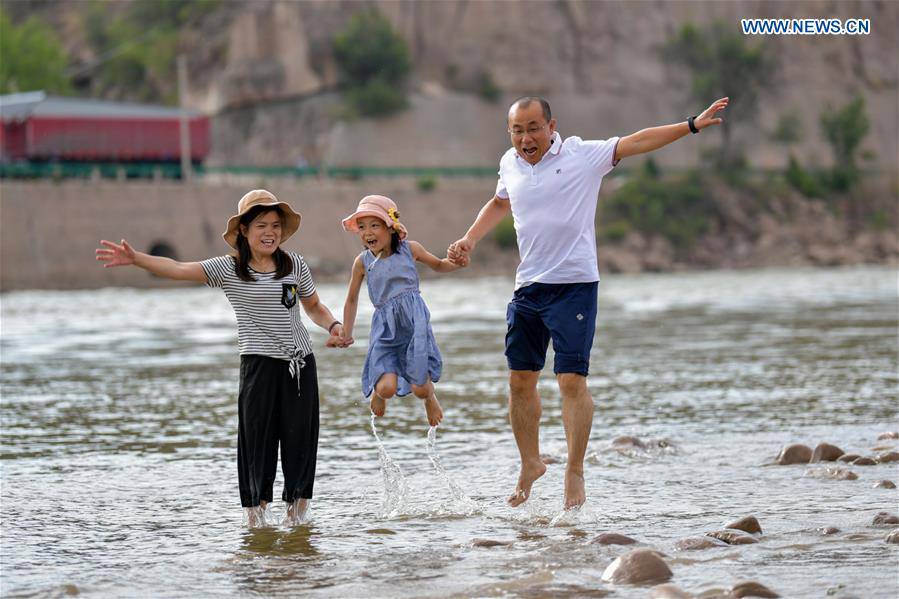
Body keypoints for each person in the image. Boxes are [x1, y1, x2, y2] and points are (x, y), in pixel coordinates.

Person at [447, 95, 729, 509]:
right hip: (528, 287)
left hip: (575, 285)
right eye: (517, 130)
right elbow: (500, 202)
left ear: (551, 126)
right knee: (519, 380)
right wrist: (469, 238)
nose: (525, 137)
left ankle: (574, 470)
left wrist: (689, 125)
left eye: (533, 128)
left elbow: (637, 141)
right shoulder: (509, 163)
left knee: (570, 381)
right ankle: (530, 462)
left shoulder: (582, 155)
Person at [95, 189, 346, 526]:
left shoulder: (294, 265)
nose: (269, 232)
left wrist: (333, 325)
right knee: (257, 445)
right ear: (243, 230)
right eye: (260, 225)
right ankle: (256, 525)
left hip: (300, 366)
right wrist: (138, 258)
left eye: (274, 225)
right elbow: (179, 268)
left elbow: (313, 306)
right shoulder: (229, 269)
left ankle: (297, 524)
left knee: (301, 444)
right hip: (258, 367)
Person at [337, 194, 464, 426]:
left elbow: (438, 264)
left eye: (375, 225)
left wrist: (456, 262)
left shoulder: (410, 250)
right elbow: (352, 299)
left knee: (420, 388)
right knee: (386, 387)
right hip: (385, 328)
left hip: (414, 324)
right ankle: (378, 394)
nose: (368, 232)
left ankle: (430, 398)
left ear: (391, 228)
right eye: (362, 227)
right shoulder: (362, 262)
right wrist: (347, 331)